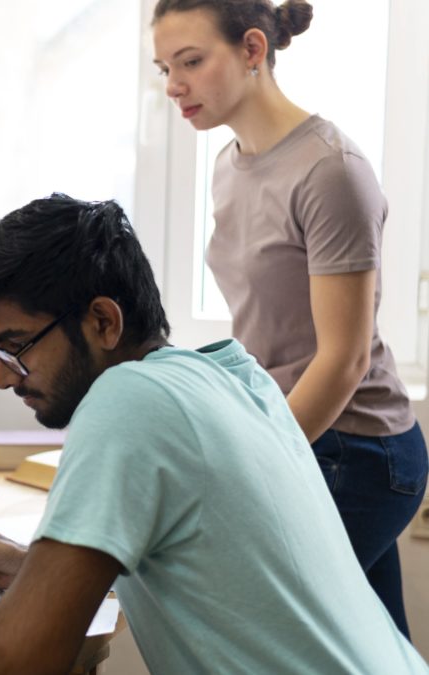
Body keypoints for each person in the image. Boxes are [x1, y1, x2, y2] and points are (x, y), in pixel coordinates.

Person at [0, 194, 429, 673]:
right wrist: (33, 570)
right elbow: (219, 575)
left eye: (17, 348)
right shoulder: (237, 377)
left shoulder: (126, 401)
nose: (4, 377)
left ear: (103, 322)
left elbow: (23, 655)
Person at [151, 0, 427, 635]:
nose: (173, 86)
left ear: (252, 50)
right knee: (372, 649)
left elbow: (345, 357)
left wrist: (262, 456)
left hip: (357, 451)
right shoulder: (228, 165)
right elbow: (266, 328)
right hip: (304, 434)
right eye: (165, 67)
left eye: (191, 61)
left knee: (257, 631)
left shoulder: (331, 171)